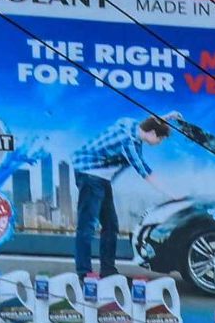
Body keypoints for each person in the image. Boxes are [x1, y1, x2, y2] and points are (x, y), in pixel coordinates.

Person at [72, 115, 173, 281]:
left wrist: (167, 117)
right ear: (153, 133)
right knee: (87, 226)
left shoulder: (130, 123)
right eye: (160, 139)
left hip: (101, 177)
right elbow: (144, 170)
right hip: (89, 173)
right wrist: (171, 193)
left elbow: (150, 120)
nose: (159, 142)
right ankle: (84, 273)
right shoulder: (129, 143)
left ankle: (108, 271)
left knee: (111, 225)